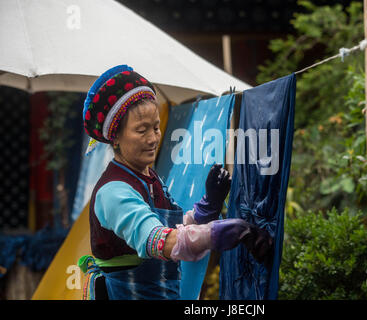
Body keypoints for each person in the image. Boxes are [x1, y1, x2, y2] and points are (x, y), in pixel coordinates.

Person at [78, 65, 272, 300]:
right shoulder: (113, 191)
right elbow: (159, 241)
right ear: (115, 137)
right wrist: (222, 232)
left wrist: (207, 206)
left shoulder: (149, 178)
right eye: (141, 130)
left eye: (156, 128)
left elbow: (175, 228)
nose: (153, 139)